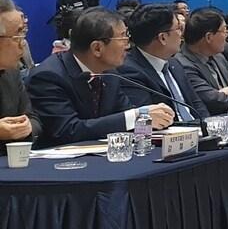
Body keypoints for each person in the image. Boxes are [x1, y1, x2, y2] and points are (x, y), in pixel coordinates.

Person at [28, 8, 176, 145]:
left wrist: (150, 120)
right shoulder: (48, 77)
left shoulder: (109, 74)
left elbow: (122, 116)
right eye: (123, 38)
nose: (128, 46)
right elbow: (68, 130)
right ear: (97, 48)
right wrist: (136, 116)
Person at [116, 3, 207, 122]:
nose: (181, 35)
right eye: (178, 28)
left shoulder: (174, 63)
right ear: (163, 38)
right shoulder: (129, 72)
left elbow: (197, 104)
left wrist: (208, 125)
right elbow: (145, 121)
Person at [175, 7, 228, 115]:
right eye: (224, 31)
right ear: (209, 37)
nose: (226, 36)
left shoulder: (218, 57)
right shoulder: (183, 64)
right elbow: (213, 100)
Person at [0, 0, 40, 144]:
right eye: (17, 36)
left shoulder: (12, 73)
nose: (23, 44)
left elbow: (33, 119)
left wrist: (26, 128)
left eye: (24, 34)